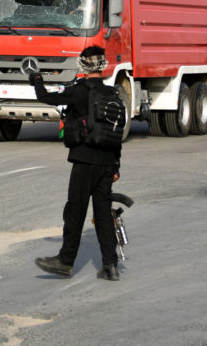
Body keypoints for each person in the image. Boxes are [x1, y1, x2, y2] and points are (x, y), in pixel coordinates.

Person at [29, 45, 122, 281]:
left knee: (75, 211)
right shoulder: (112, 93)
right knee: (103, 215)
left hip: (85, 161)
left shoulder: (79, 91)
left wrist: (37, 79)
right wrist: (116, 167)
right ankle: (110, 266)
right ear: (102, 65)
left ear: (83, 65)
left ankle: (65, 261)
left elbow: (45, 97)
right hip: (108, 163)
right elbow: (116, 132)